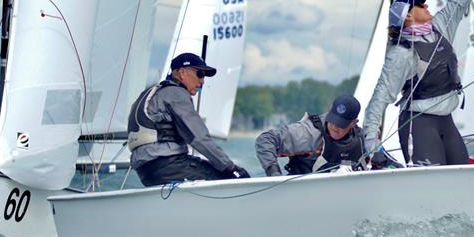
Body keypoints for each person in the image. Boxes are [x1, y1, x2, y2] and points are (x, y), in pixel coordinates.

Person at [362, 0, 474, 166]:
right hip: (418, 124)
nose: (427, 6)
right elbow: (380, 97)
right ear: (408, 17)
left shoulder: (440, 26)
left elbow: (460, 0)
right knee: (433, 183)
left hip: (446, 121)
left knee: (464, 176)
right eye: (420, 5)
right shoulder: (401, 53)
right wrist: (371, 142)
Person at [127, 52, 250, 186]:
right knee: (235, 178)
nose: (202, 81)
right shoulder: (176, 93)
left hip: (145, 171)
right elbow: (199, 138)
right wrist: (231, 168)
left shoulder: (148, 94)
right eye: (200, 74)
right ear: (182, 72)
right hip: (170, 165)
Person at [255, 94, 369, 176]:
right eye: (333, 120)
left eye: (341, 124)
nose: (334, 127)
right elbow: (265, 139)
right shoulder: (308, 133)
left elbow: (374, 153)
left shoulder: (360, 138)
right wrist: (273, 172)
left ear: (354, 123)